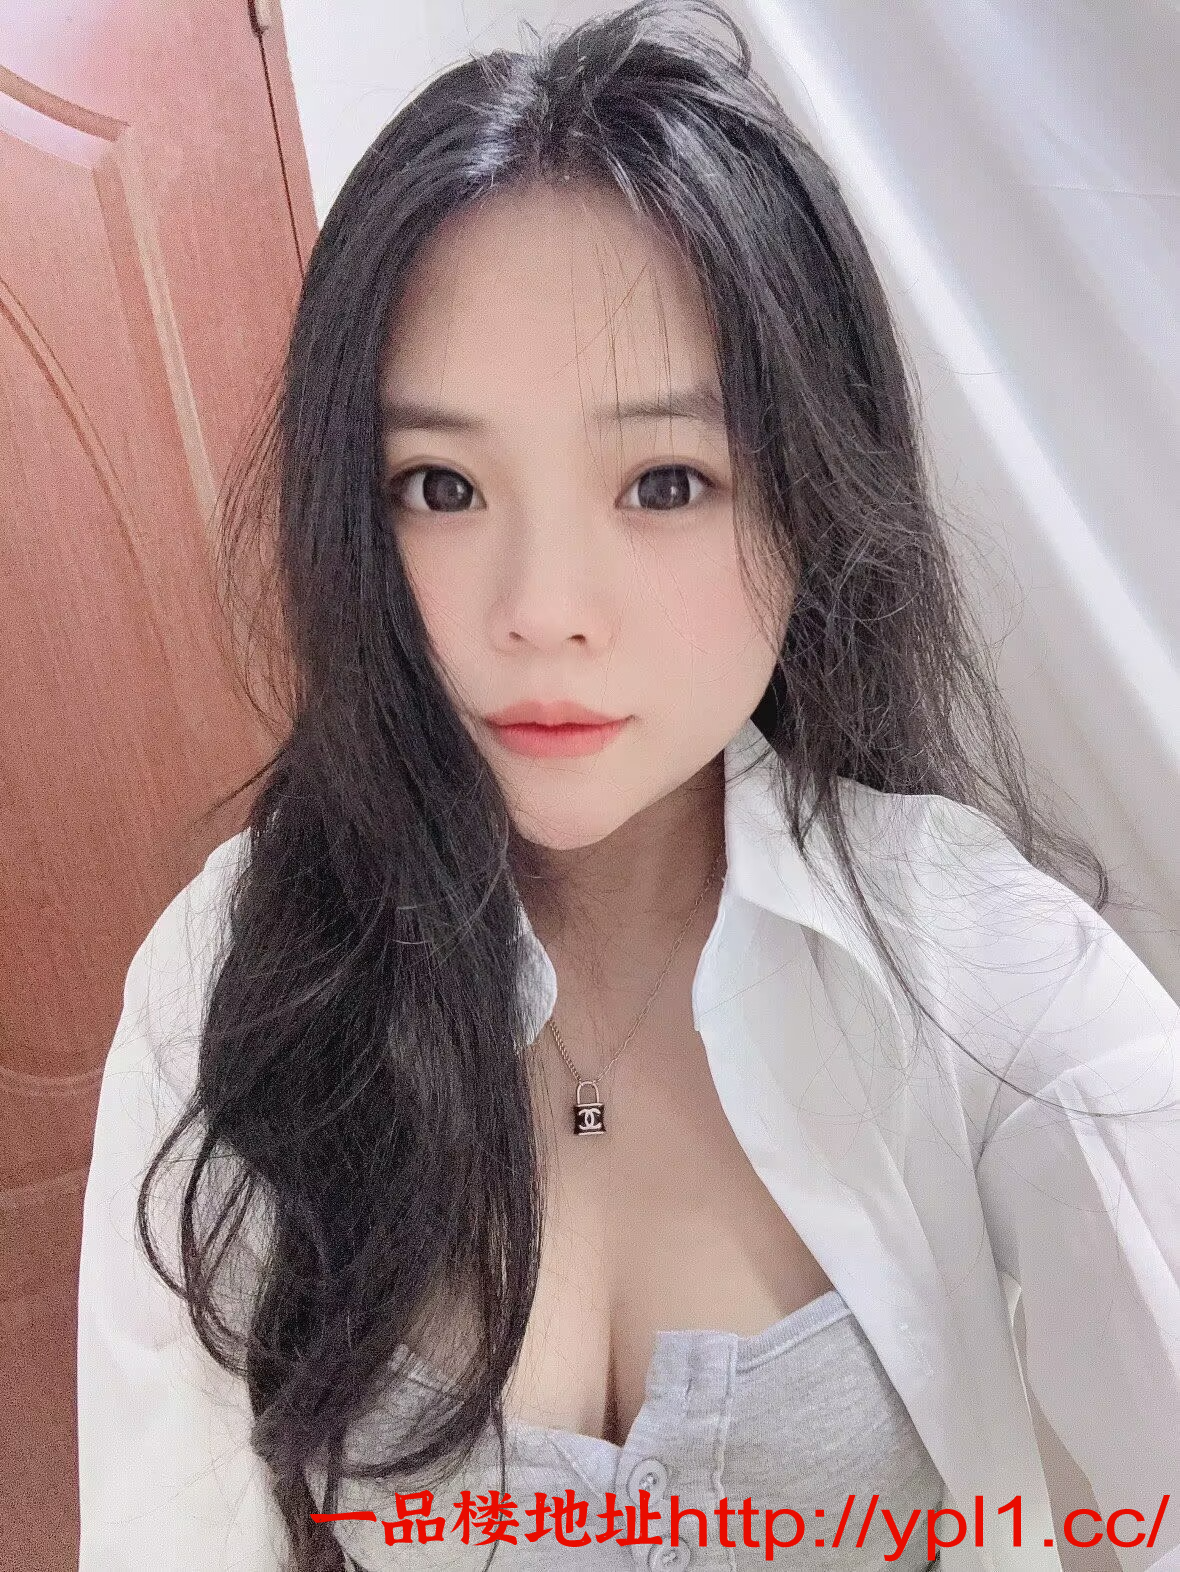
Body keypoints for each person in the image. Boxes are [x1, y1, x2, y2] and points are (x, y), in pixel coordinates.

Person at [76, 3, 1180, 1570]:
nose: (541, 610)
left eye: (665, 481)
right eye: (441, 486)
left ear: (812, 495)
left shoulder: (966, 964)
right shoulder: (232, 977)